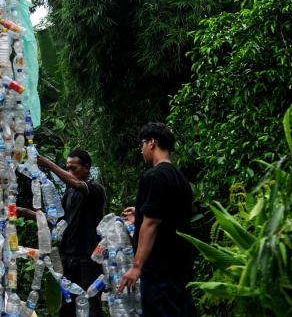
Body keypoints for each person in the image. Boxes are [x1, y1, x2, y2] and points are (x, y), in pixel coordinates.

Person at [118, 122, 197, 317]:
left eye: (142, 144)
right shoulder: (180, 178)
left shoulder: (154, 176)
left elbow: (152, 223)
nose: (142, 150)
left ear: (152, 143)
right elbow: (170, 214)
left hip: (160, 269)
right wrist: (140, 214)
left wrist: (137, 266)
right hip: (181, 266)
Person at [18, 150, 106, 317]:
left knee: (91, 305)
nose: (70, 172)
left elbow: (77, 183)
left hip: (88, 258)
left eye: (74, 168)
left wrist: (48, 163)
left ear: (86, 168)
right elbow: (57, 221)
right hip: (69, 256)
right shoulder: (70, 193)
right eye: (68, 168)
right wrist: (24, 212)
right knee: (67, 307)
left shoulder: (95, 189)